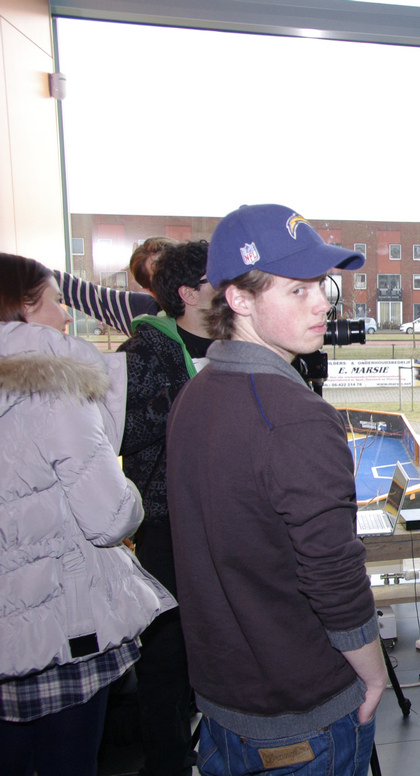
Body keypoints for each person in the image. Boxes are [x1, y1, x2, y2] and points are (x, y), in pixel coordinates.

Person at [166, 204, 388, 775]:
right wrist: (374, 672)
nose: (322, 304)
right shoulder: (295, 417)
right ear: (238, 299)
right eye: (297, 290)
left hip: (224, 702)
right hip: (304, 715)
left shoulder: (196, 394)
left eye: (322, 285)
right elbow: (332, 573)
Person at [0, 253, 175, 776]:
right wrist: (136, 495)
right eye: (56, 301)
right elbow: (108, 516)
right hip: (57, 624)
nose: (65, 314)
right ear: (24, 307)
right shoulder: (54, 385)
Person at [118, 240, 215, 775]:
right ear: (187, 294)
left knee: (220, 647)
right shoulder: (144, 352)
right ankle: (166, 763)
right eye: (217, 279)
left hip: (223, 521)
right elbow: (122, 433)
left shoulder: (236, 343)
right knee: (165, 660)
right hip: (167, 527)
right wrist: (184, 395)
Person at [56, 236, 172, 336]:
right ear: (149, 290)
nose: (176, 280)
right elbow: (70, 287)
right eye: (163, 279)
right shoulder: (141, 311)